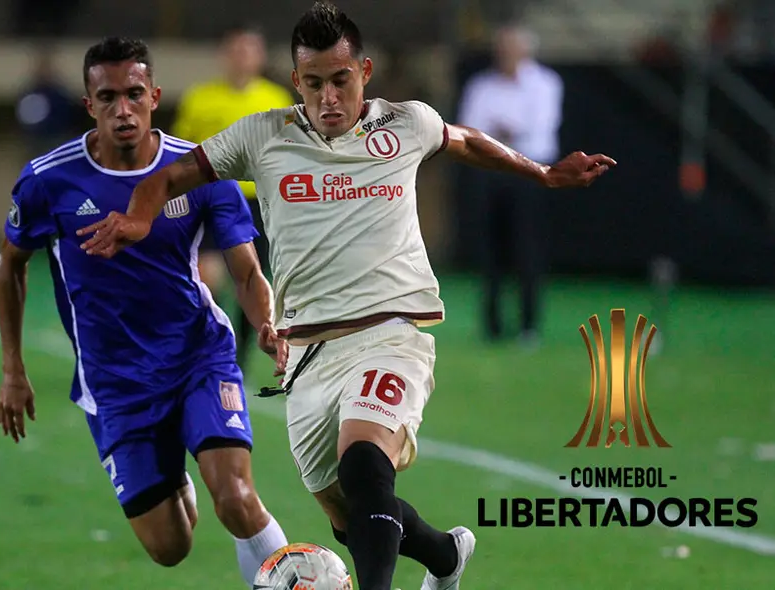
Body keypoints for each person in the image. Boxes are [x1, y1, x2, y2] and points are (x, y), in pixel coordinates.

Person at [76, 4, 616, 589]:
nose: (328, 97)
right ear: (296, 81)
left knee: (365, 465)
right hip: (308, 354)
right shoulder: (263, 134)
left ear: (365, 71)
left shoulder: (405, 124)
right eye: (314, 84)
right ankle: (444, 557)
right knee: (350, 516)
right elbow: (169, 175)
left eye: (341, 80)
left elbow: (465, 140)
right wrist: (139, 217)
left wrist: (542, 173)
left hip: (390, 335)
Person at [0, 37, 289, 586]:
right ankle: (177, 471)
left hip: (198, 358)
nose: (123, 110)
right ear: (90, 105)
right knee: (170, 547)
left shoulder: (200, 172)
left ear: (154, 96)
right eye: (108, 98)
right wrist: (13, 369)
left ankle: (296, 578)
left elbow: (247, 272)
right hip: (115, 383)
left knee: (236, 497)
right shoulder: (48, 181)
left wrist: (266, 321)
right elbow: (10, 265)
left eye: (134, 94)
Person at [171, 23, 294, 374]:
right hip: (211, 201)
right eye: (235, 50)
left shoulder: (276, 100)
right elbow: (181, 150)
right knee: (207, 277)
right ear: (224, 55)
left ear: (259, 56)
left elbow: (288, 154)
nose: (241, 57)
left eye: (248, 50)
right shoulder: (199, 98)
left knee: (253, 281)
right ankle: (207, 341)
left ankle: (238, 355)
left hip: (258, 204)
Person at [457, 24, 563, 348]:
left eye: (511, 48)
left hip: (530, 173)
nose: (505, 54)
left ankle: (529, 326)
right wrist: (498, 136)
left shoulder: (545, 83)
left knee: (527, 248)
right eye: (501, 48)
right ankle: (492, 327)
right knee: (490, 250)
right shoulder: (481, 86)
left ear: (526, 50)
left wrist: (498, 133)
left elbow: (538, 128)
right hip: (490, 174)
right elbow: (468, 129)